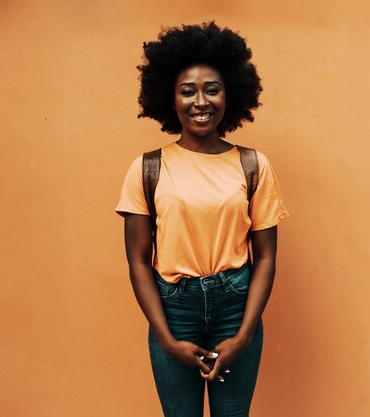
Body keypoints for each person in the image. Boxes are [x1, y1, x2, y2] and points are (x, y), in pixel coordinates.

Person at [115, 21, 289, 417]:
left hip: (236, 308)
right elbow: (138, 262)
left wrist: (244, 336)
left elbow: (265, 257)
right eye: (187, 91)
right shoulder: (147, 168)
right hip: (173, 311)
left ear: (230, 95)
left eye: (212, 89)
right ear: (169, 98)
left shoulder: (252, 165)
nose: (200, 101)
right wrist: (167, 339)